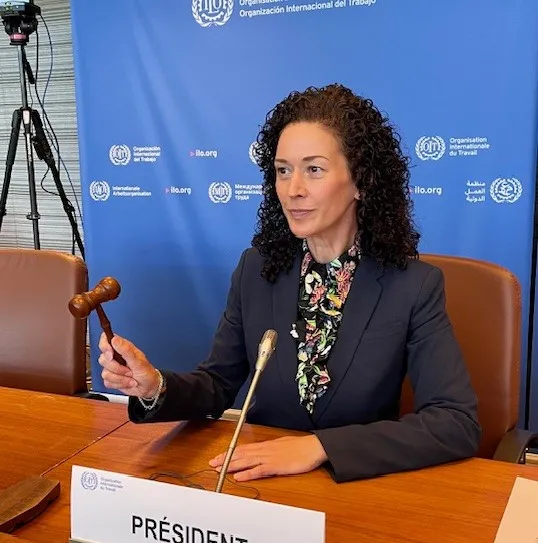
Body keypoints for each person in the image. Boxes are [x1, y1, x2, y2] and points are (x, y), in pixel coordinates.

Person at [99, 83, 481, 484]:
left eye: (314, 169)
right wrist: (154, 385)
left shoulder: (413, 286)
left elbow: (455, 422)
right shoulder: (257, 269)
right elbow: (217, 385)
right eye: (283, 170)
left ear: (361, 182)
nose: (293, 189)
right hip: (260, 485)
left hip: (355, 487)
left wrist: (321, 447)